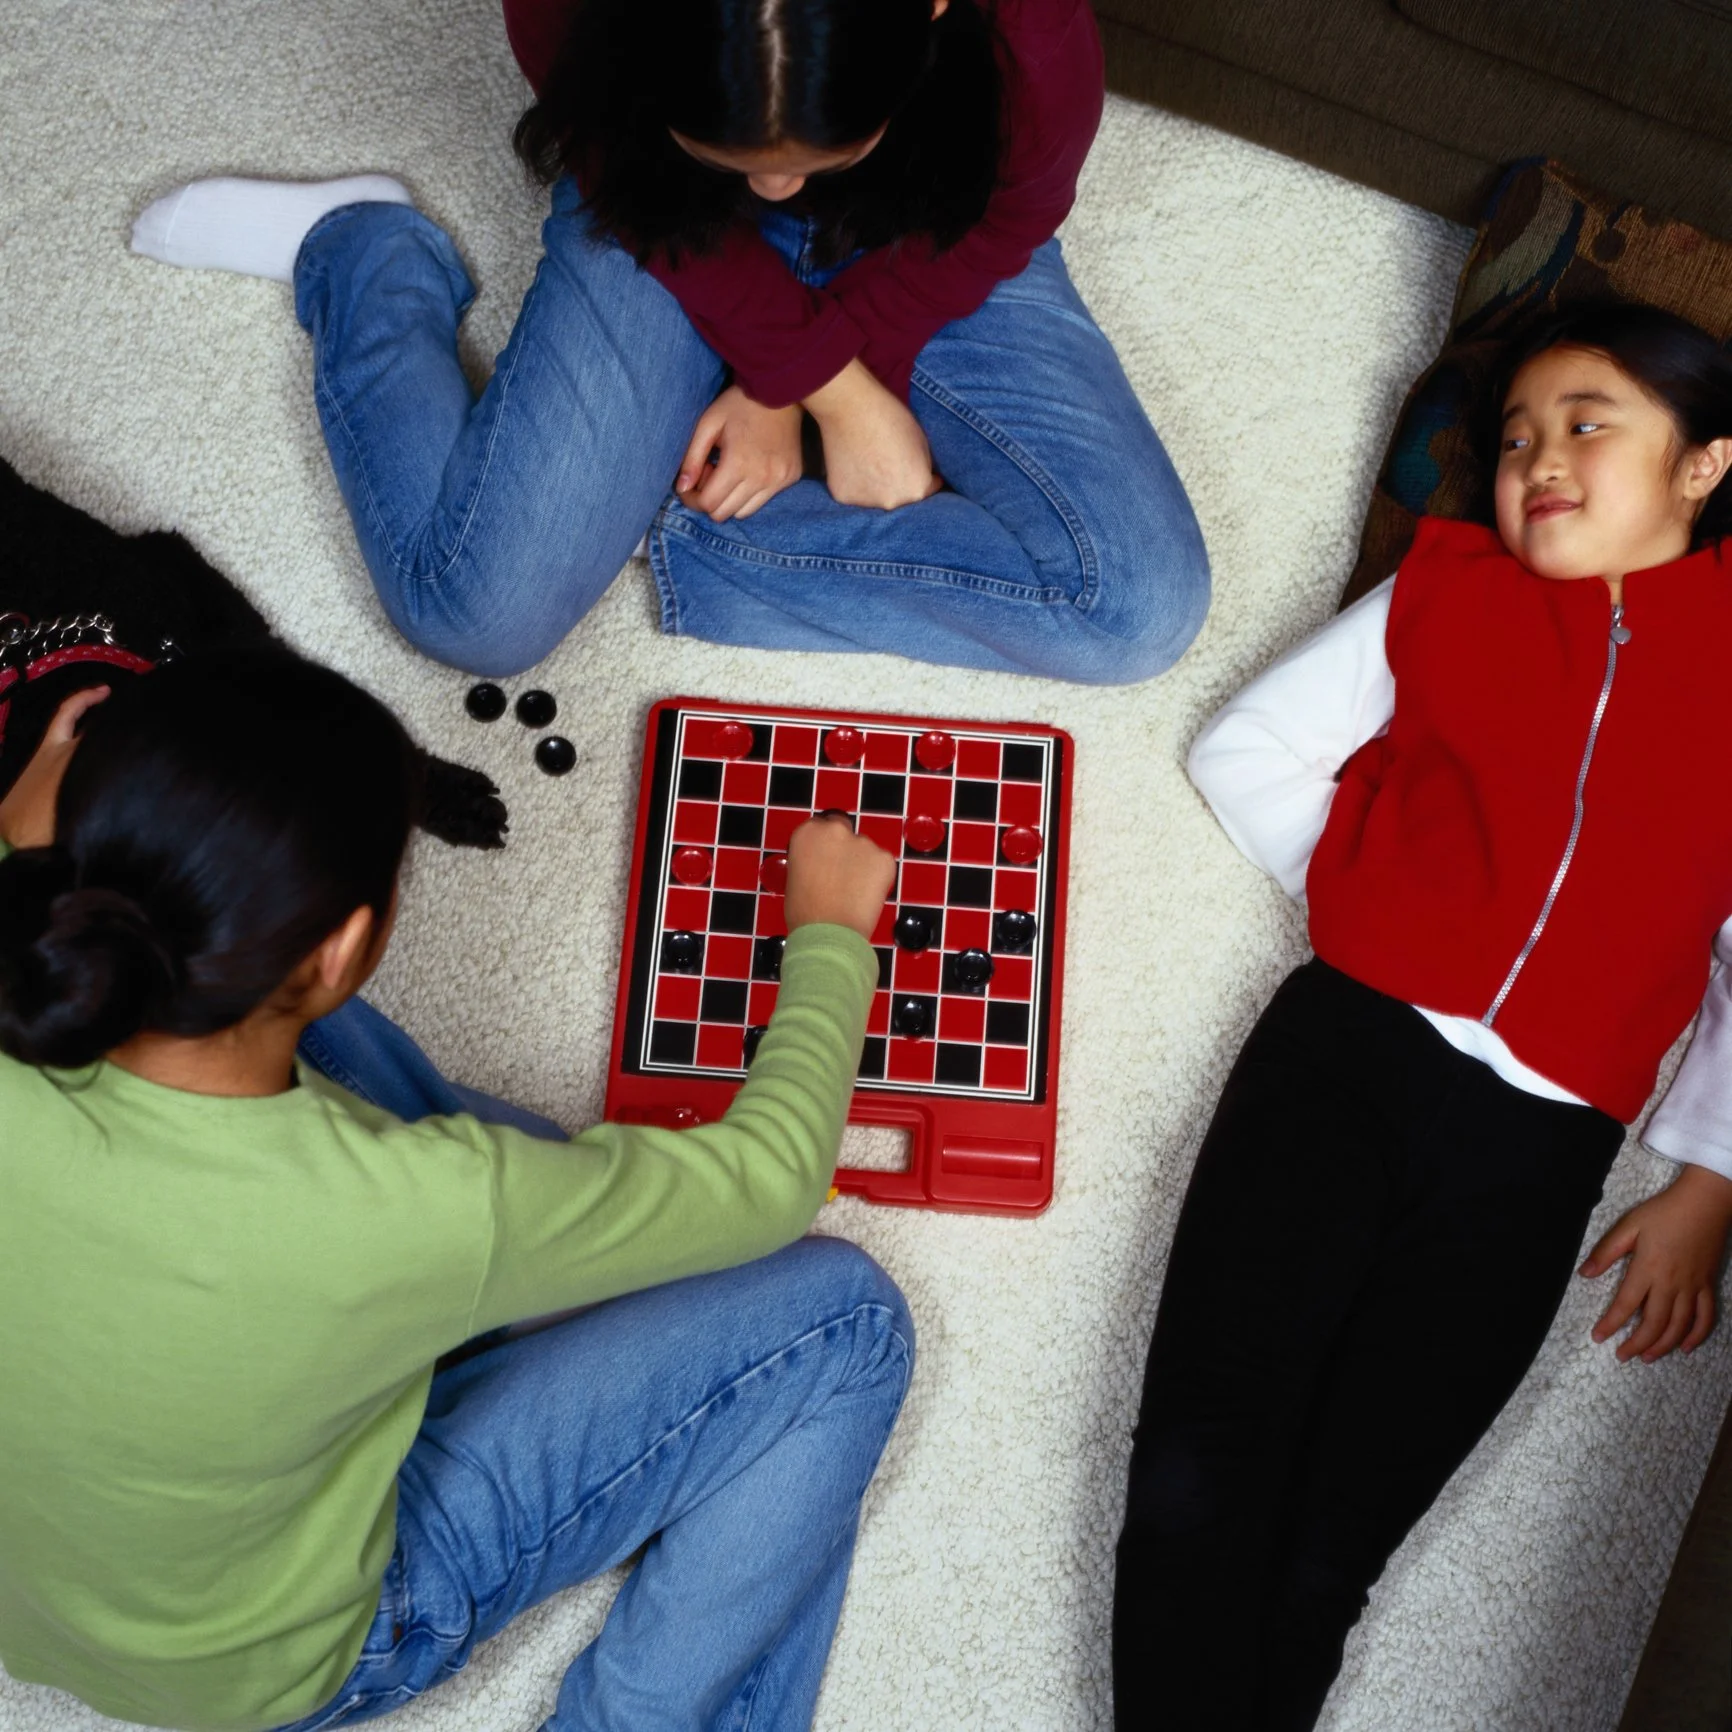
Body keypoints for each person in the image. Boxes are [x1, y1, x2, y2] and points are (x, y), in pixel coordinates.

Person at [0, 649, 913, 1732]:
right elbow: (769, 1185)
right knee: (848, 1323)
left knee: (246, 992)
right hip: (276, 1669)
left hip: (48, 1606)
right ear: (347, 944)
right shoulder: (424, 1203)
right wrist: (829, 939)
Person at [1111, 303, 1732, 1730]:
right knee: (1204, 1469)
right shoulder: (1447, 591)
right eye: (1514, 437)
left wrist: (1711, 1176)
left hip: (1543, 1147)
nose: (1539, 460)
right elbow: (1246, 750)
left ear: (1703, 466)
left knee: (1337, 1540)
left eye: (1589, 423)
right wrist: (1379, 896)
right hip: (1345, 1056)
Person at [126, 0, 1209, 684]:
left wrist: (822, 375)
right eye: (738, 152)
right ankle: (361, 254)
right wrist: (820, 384)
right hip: (666, 222)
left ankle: (665, 523)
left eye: (811, 155)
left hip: (928, 229)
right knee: (472, 613)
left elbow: (1011, 215)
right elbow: (621, 178)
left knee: (1135, 609)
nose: (777, 189)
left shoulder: (1030, 37)